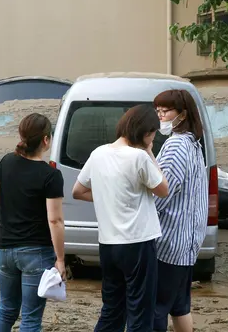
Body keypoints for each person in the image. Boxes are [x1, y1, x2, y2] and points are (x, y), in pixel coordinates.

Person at [71, 104, 169, 332]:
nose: (153, 137)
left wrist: (109, 196)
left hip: (108, 244)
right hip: (138, 243)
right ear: (145, 133)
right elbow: (163, 189)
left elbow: (78, 190)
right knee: (140, 312)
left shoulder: (98, 153)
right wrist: (150, 152)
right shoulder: (139, 157)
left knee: (112, 310)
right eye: (153, 133)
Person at [0, 113, 66, 332]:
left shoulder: (7, 161)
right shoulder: (50, 175)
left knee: (6, 309)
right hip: (36, 252)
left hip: (5, 249)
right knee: (30, 319)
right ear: (46, 140)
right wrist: (60, 259)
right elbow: (55, 219)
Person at [152, 90, 208, 332]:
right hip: (187, 242)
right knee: (179, 306)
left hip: (168, 243)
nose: (161, 117)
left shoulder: (176, 146)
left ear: (182, 114)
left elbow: (162, 193)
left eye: (166, 111)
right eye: (158, 112)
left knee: (155, 309)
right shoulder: (193, 144)